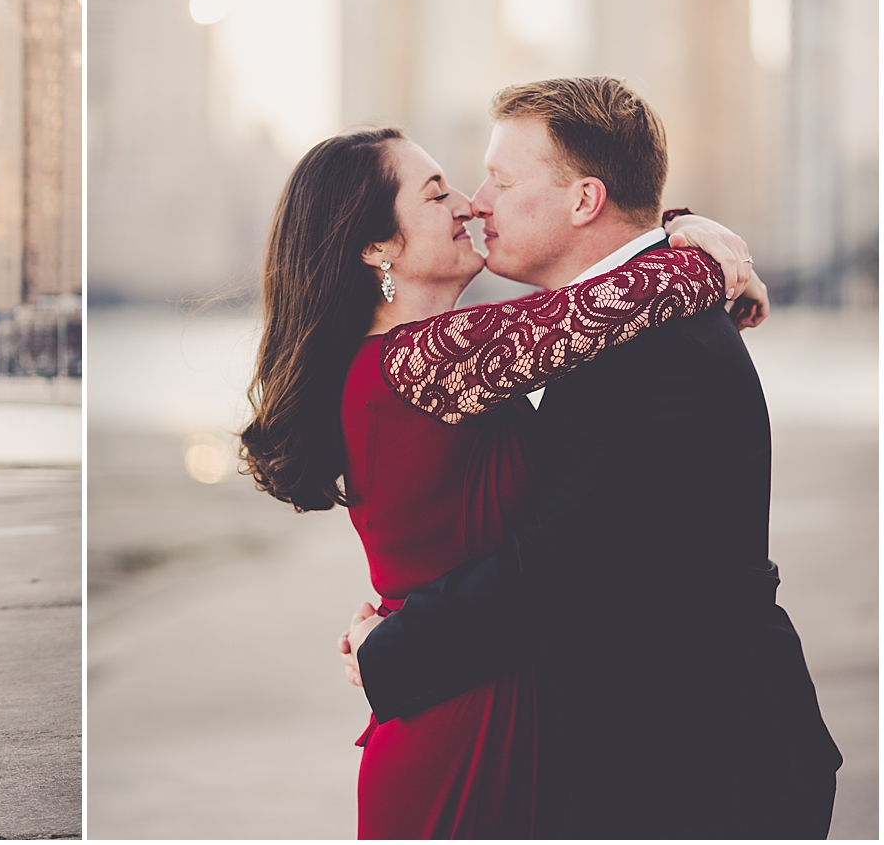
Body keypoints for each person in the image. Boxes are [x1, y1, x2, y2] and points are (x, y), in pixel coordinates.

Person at [341, 77, 841, 838]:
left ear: (583, 201)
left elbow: (560, 561)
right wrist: (691, 240)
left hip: (699, 768)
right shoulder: (613, 329)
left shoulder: (653, 352)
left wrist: (393, 646)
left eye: (502, 181)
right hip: (655, 757)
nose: (479, 201)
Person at [240, 117, 758, 838]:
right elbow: (609, 300)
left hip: (475, 692)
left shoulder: (414, 361)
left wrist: (678, 224)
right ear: (375, 245)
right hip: (461, 732)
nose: (468, 204)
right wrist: (706, 245)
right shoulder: (424, 358)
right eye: (435, 194)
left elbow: (605, 291)